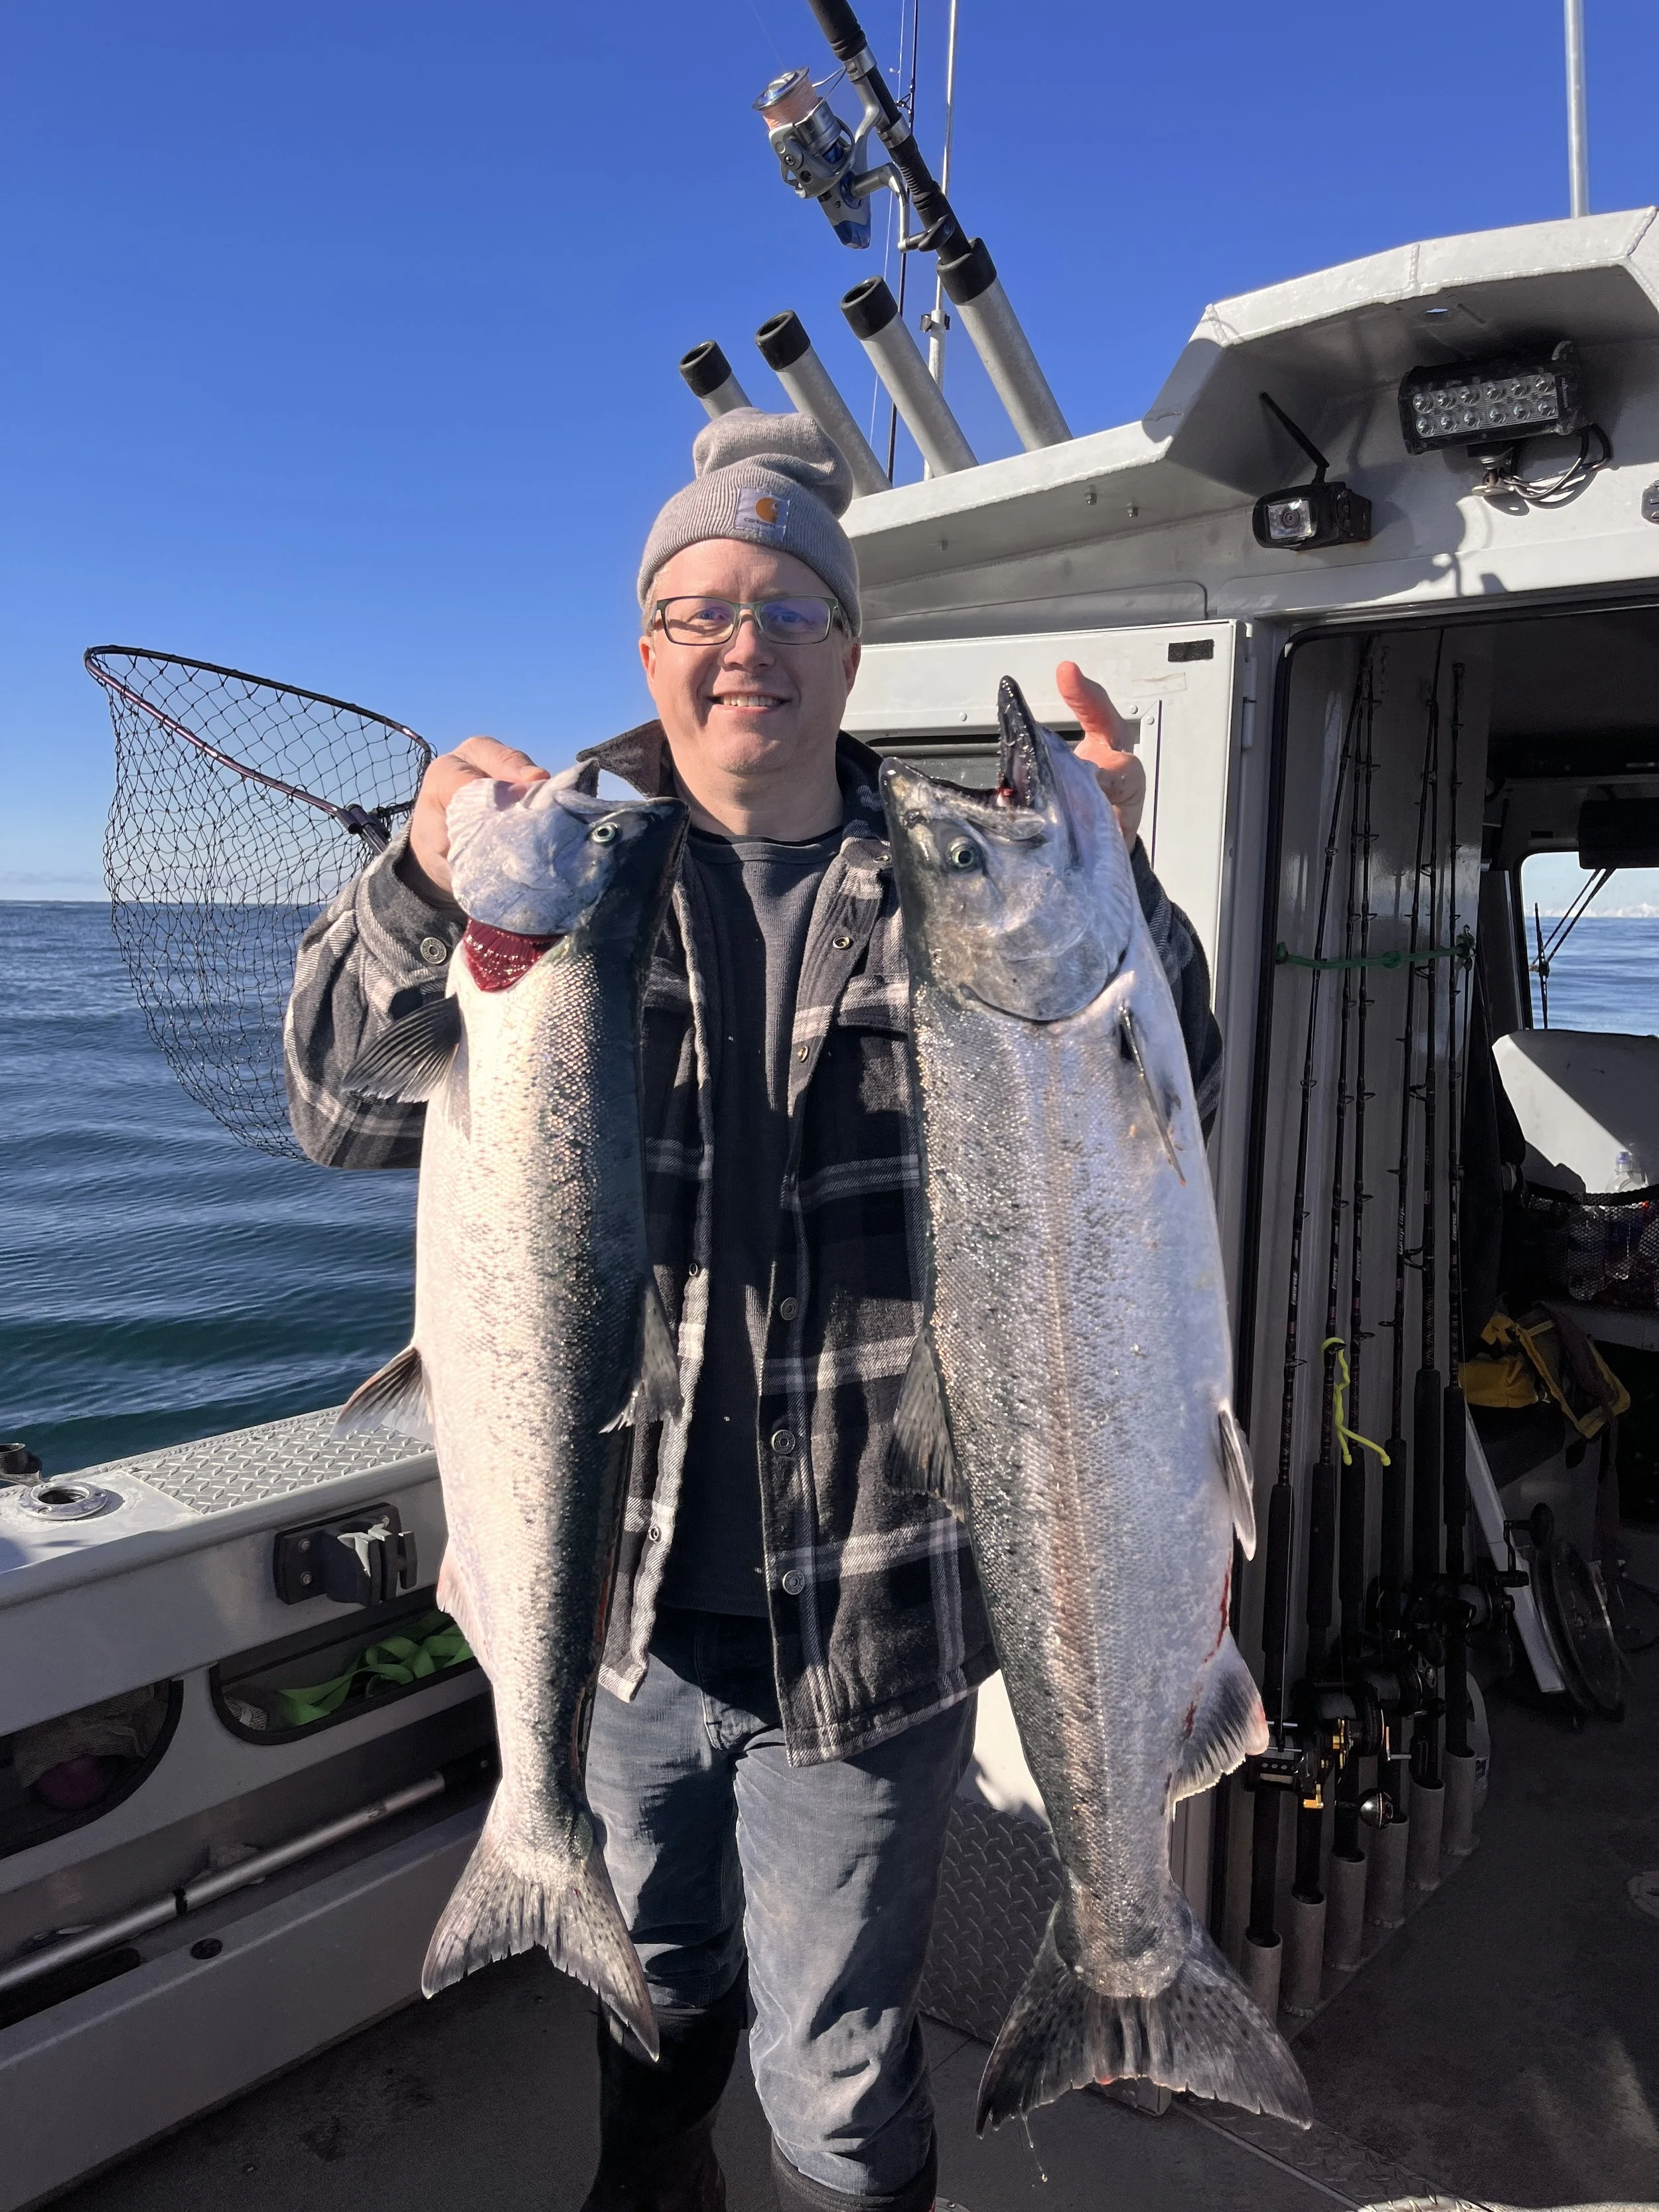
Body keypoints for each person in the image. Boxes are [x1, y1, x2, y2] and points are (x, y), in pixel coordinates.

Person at [285, 411, 1222, 2212]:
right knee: (655, 1983)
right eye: (703, 606)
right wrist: (418, 884)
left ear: (850, 648)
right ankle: (652, 2181)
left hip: (873, 1619)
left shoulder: (954, 871)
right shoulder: (559, 876)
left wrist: (1117, 872)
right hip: (609, 1599)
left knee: (843, 2067)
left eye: (792, 607)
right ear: (646, 642)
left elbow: (1153, 1092)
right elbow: (333, 1106)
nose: (747, 645)